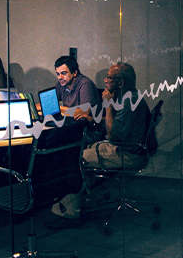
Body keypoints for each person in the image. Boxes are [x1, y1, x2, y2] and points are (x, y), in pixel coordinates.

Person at [46, 62, 150, 228]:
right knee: (82, 151)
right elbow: (116, 125)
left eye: (109, 77)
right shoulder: (130, 96)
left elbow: (114, 136)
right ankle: (84, 199)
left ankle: (70, 212)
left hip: (127, 153)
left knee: (74, 160)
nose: (105, 80)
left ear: (121, 83)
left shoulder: (128, 102)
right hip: (130, 148)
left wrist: (108, 105)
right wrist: (93, 119)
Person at [53, 55, 102, 137]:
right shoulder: (61, 84)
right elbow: (50, 103)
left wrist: (58, 108)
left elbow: (84, 112)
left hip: (88, 131)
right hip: (73, 127)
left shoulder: (85, 84)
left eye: (63, 73)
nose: (60, 77)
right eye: (58, 74)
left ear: (74, 73)